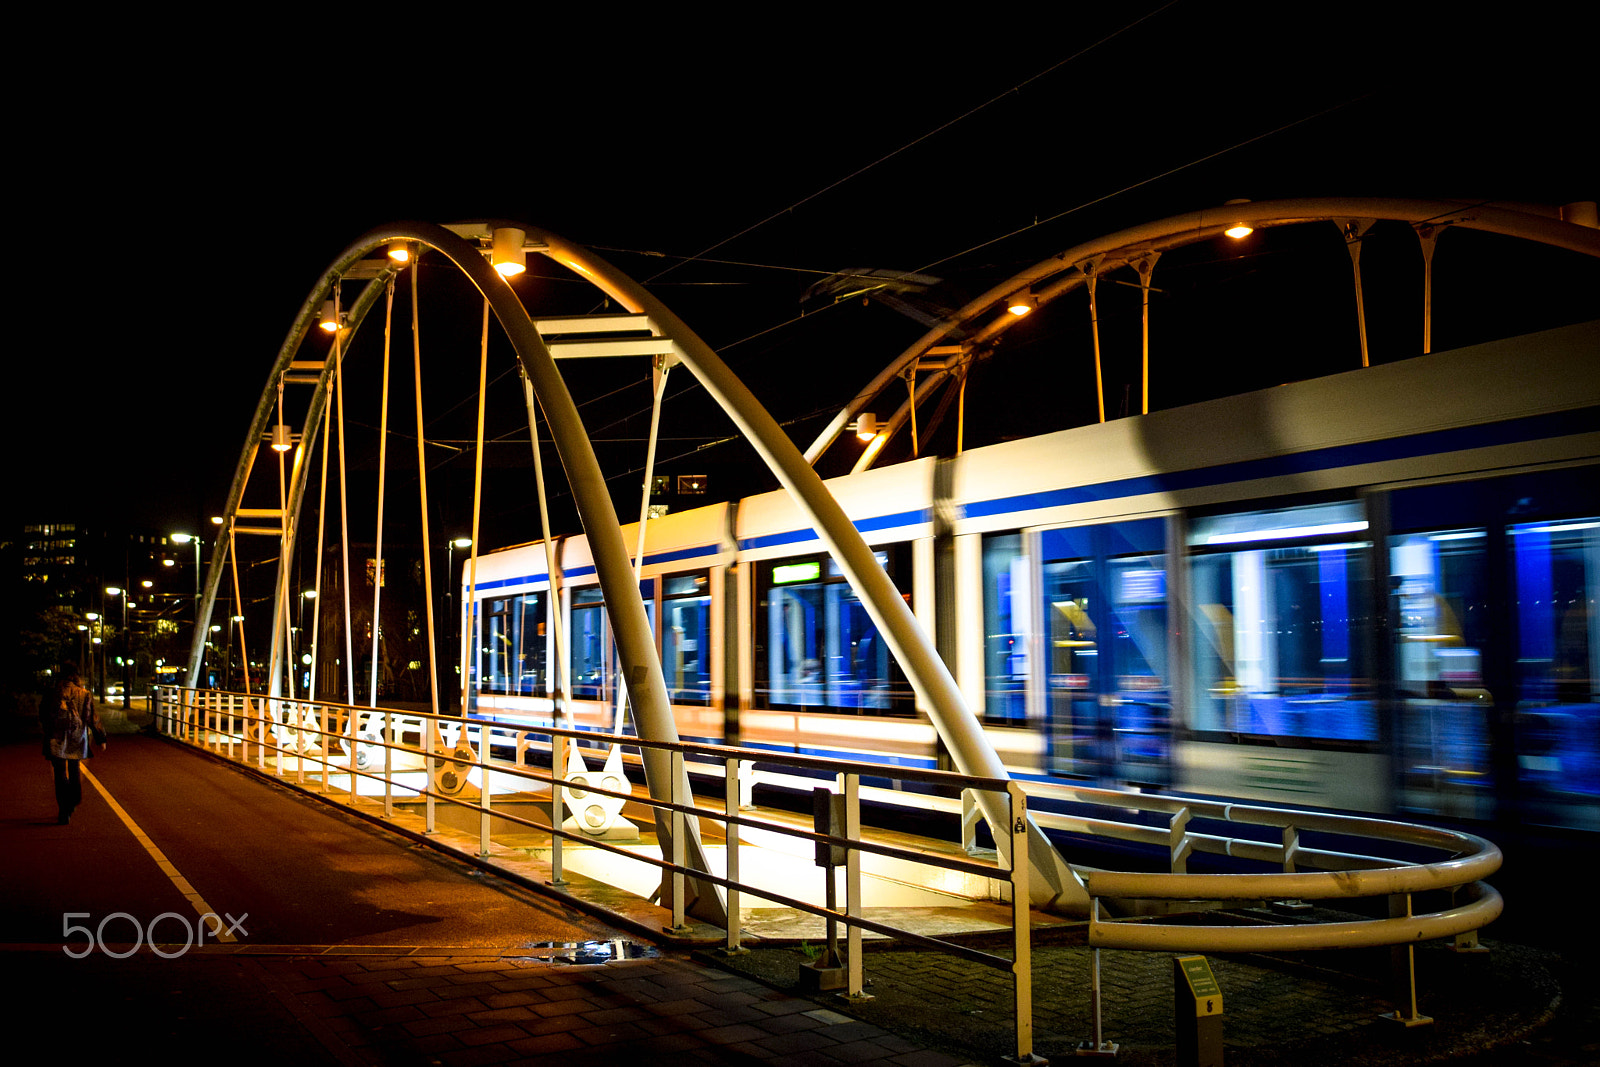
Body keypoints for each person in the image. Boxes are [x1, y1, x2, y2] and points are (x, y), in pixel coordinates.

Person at [41, 663, 106, 824]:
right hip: (77, 737)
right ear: (76, 676)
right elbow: (92, 717)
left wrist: (48, 730)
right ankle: (73, 800)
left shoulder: (52, 693)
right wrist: (100, 738)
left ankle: (64, 809)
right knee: (74, 768)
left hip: (56, 738)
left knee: (60, 773)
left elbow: (43, 714)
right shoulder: (84, 693)